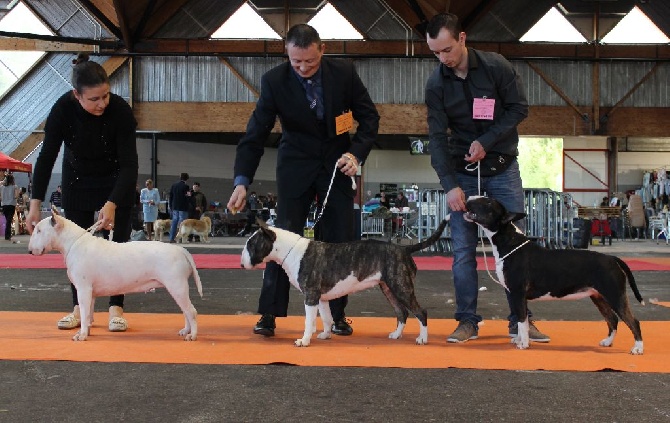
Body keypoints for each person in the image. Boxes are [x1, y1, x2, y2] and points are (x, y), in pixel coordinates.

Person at [227, 23, 379, 337]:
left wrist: (356, 155)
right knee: (280, 239)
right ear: (287, 53)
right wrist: (241, 180)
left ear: (322, 49)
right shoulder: (274, 81)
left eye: (309, 61)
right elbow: (255, 135)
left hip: (337, 165)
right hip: (295, 164)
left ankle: (337, 315)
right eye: (296, 62)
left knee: (339, 240)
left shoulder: (344, 74)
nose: (303, 68)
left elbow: (370, 118)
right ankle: (269, 312)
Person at [424, 13, 549, 343]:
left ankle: (520, 321)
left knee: (516, 249)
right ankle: (467, 321)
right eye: (435, 53)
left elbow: (519, 108)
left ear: (462, 38)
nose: (443, 59)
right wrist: (449, 185)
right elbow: (436, 138)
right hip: (462, 174)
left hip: (503, 169)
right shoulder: (436, 84)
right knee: (463, 252)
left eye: (447, 50)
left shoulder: (497, 67)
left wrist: (487, 141)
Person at [25, 52, 138, 332]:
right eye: (94, 99)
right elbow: (47, 156)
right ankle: (79, 308)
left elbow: (130, 165)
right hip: (77, 181)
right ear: (77, 95)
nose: (102, 104)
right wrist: (34, 204)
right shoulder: (62, 109)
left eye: (106, 96)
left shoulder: (121, 111)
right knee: (75, 251)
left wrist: (112, 202)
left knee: (118, 248)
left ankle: (116, 308)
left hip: (115, 180)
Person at [168, 172, 191, 243]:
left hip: (175, 206)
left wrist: (171, 205)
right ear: (187, 179)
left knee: (174, 222)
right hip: (183, 207)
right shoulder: (186, 187)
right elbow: (188, 197)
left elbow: (170, 196)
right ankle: (181, 238)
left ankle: (171, 238)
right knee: (182, 223)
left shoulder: (174, 185)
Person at [1, 173, 18, 242]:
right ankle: (7, 235)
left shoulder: (1, 187)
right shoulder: (15, 187)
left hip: (4, 205)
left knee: (7, 219)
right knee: (9, 220)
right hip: (11, 204)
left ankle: (7, 235)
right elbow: (16, 196)